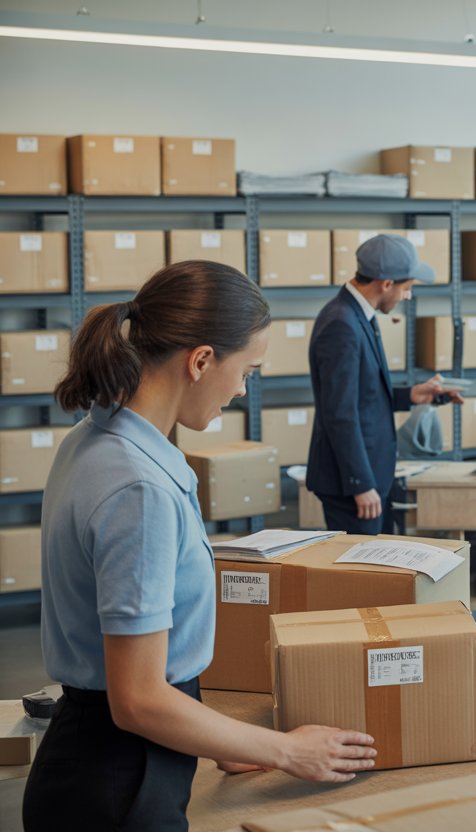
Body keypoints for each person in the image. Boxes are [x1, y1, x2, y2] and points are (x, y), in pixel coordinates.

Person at [24, 261, 377, 831]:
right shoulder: (137, 487)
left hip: (109, 757)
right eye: (247, 371)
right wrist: (285, 751)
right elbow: (137, 698)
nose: (241, 389)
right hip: (119, 778)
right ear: (202, 360)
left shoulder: (93, 441)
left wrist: (224, 739)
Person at [307, 234, 462, 534]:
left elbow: (362, 395)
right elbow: (340, 413)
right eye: (407, 288)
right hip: (352, 487)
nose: (408, 297)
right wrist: (360, 484)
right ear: (386, 284)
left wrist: (412, 395)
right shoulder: (341, 325)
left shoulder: (358, 316)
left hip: (370, 478)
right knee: (360, 578)